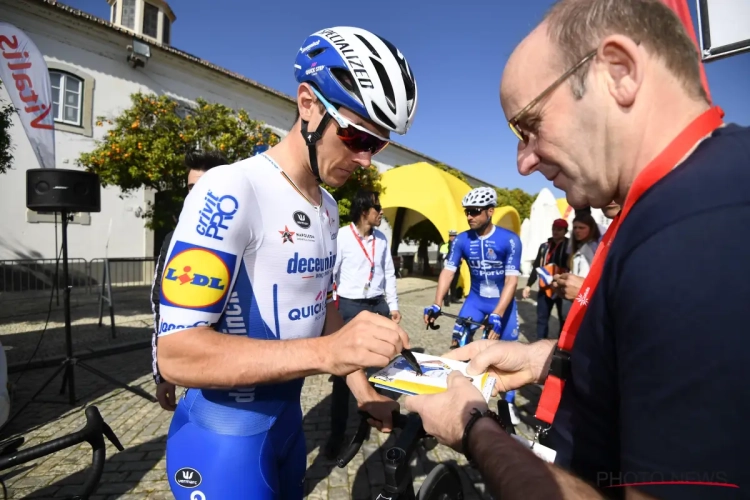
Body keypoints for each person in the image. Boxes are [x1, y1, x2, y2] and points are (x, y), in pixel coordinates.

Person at [404, 0, 750, 498]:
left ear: (619, 72)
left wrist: (474, 429)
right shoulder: (680, 198)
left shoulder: (696, 233)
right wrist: (542, 360)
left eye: (529, 125)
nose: (522, 162)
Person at [156, 26, 418, 499]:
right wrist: (326, 355)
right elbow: (175, 354)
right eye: (356, 134)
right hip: (223, 440)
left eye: (376, 145)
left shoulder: (328, 207)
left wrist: (364, 392)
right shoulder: (231, 188)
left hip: (286, 428)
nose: (364, 159)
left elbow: (322, 314)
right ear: (307, 104)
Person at [423, 186, 522, 423]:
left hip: (503, 305)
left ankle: (508, 405)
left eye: (475, 211)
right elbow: (448, 273)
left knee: (510, 357)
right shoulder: (461, 240)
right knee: (458, 346)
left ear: (490, 211)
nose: (469, 216)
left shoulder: (509, 239)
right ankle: (460, 398)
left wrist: (498, 314)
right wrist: (437, 304)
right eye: (467, 211)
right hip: (475, 302)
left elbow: (511, 280)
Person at [325, 188, 401, 459]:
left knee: (383, 363)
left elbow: (389, 273)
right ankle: (336, 435)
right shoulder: (342, 237)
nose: (381, 212)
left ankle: (374, 415)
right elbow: (331, 274)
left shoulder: (382, 238)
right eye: (377, 208)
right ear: (363, 211)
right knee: (344, 371)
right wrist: (330, 309)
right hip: (349, 306)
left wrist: (393, 306)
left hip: (377, 304)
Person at [150, 150, 228, 412]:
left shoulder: (248, 235)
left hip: (240, 372)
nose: (194, 195)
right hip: (196, 373)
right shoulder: (174, 238)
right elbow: (160, 307)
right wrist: (164, 374)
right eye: (190, 188)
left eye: (203, 187)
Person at [522, 218, 570, 339]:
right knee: (542, 319)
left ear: (565, 231)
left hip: (562, 289)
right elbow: (536, 266)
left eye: (559, 229)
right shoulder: (544, 246)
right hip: (545, 288)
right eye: (554, 229)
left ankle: (561, 347)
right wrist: (528, 285)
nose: (555, 232)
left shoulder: (570, 246)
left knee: (564, 320)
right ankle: (540, 343)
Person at [560, 213, 599, 318]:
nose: (577, 230)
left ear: (591, 229)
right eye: (575, 227)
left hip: (584, 298)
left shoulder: (593, 248)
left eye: (582, 227)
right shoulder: (578, 246)